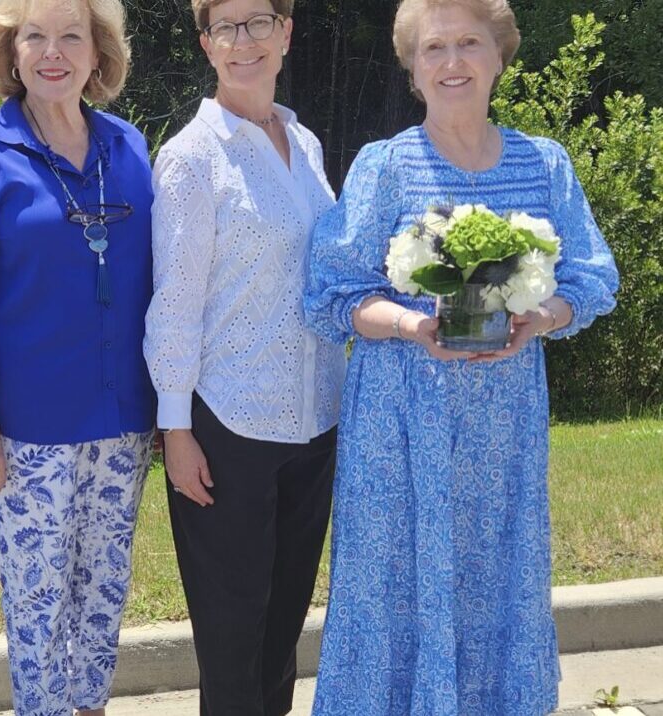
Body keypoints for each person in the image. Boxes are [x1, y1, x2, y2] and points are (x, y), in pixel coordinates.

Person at [305, 0, 619, 713]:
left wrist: (541, 316)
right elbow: (329, 294)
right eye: (434, 47)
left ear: (499, 55)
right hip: (400, 426)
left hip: (503, 424)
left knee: (495, 573)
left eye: (469, 44)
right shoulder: (384, 167)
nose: (452, 62)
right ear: (413, 68)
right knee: (391, 580)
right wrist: (414, 326)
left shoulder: (546, 164)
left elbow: (593, 277)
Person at [0, 0, 155, 713]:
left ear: (97, 52)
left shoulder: (129, 147)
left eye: (71, 36)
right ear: (11, 53)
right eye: (35, 37)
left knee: (103, 594)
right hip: (27, 431)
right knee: (37, 604)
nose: (53, 53)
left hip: (124, 418)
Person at [142, 0, 346, 713]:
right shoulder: (192, 159)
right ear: (206, 44)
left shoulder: (307, 145)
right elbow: (173, 303)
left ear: (286, 32)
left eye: (259, 21)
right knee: (233, 648)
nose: (244, 40)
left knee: (281, 635)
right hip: (227, 429)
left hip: (315, 419)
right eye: (225, 27)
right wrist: (175, 428)